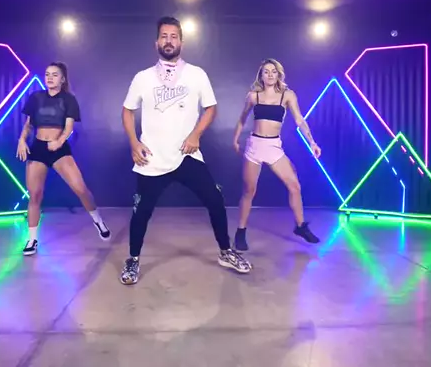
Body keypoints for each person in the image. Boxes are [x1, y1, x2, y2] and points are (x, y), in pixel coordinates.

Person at [119, 16, 252, 285]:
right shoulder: (143, 77)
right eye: (164, 36)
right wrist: (134, 143)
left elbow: (211, 108)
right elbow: (127, 111)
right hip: (152, 158)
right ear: (156, 42)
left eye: (174, 36)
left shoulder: (196, 74)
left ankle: (225, 252)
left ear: (181, 42)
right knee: (141, 212)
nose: (169, 41)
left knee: (215, 200)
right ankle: (133, 259)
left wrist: (195, 134)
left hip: (186, 155)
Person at [16, 62, 110, 256]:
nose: (50, 78)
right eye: (47, 74)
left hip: (59, 149)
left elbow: (68, 128)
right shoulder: (35, 97)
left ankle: (98, 220)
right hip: (38, 148)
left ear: (62, 79)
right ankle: (32, 240)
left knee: (80, 189)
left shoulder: (69, 99)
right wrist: (22, 140)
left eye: (54, 75)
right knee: (35, 195)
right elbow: (29, 125)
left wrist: (59, 142)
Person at [231, 58, 322, 251]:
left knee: (294, 185)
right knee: (249, 191)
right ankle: (240, 232)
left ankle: (300, 226)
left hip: (274, 146)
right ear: (261, 76)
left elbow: (299, 120)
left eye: (273, 71)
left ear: (278, 74)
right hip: (255, 145)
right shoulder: (253, 96)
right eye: (266, 71)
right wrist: (236, 139)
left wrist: (312, 142)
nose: (270, 74)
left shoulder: (287, 95)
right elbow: (242, 119)